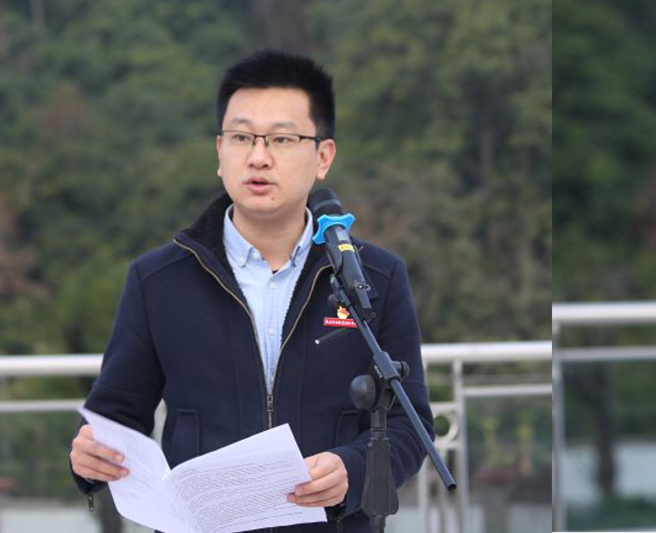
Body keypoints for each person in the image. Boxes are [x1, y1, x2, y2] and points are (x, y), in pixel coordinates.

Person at [70, 50, 432, 529]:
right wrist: (89, 457)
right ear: (219, 152)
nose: (258, 157)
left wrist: (353, 469)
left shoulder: (374, 278)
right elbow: (114, 417)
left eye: (282, 138)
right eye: (241, 137)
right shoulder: (157, 281)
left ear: (323, 157)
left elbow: (410, 425)